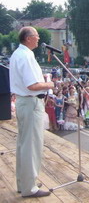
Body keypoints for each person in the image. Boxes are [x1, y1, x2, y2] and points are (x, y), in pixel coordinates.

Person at [10, 26, 54, 198]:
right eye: (36, 36)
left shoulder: (18, 54)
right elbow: (32, 86)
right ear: (28, 38)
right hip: (30, 102)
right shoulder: (26, 56)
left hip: (24, 102)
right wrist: (49, 84)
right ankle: (30, 187)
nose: (38, 39)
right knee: (31, 145)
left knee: (23, 144)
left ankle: (25, 183)